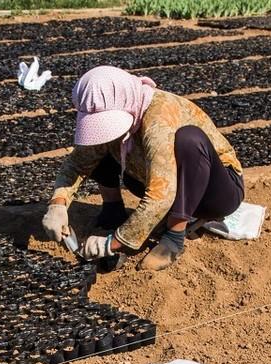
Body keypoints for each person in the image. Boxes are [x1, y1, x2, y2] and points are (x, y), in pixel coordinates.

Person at [42, 65, 245, 271]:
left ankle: (175, 235)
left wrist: (113, 243)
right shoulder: (121, 106)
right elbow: (78, 162)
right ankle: (113, 211)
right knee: (98, 143)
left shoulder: (158, 118)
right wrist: (58, 204)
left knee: (189, 140)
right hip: (152, 177)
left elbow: (162, 195)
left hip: (215, 192)